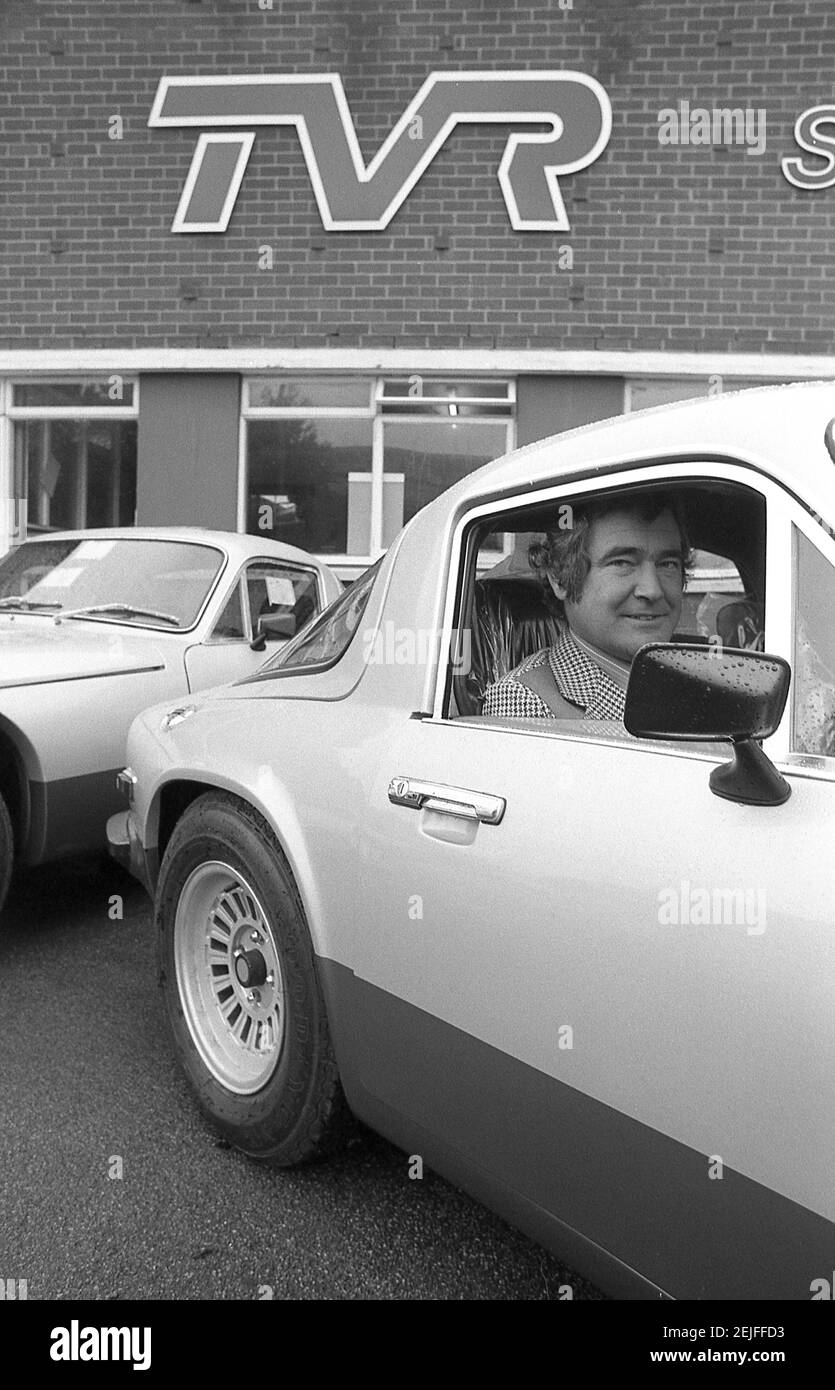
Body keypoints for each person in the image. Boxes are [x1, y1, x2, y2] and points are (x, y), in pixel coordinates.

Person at [482, 492, 691, 721]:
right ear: (560, 577)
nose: (653, 590)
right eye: (622, 562)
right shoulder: (523, 701)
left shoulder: (693, 680)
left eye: (668, 564)